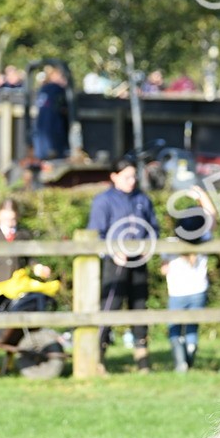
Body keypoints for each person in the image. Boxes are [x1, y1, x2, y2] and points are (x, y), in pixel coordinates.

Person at [88, 159, 159, 373]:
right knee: (110, 307)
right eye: (127, 176)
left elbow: (153, 228)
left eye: (133, 176)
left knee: (139, 305)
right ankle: (97, 356)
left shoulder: (142, 199)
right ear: (114, 177)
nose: (132, 180)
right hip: (115, 263)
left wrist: (149, 245)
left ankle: (142, 358)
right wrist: (112, 251)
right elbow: (96, 233)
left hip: (138, 261)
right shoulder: (104, 201)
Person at [161, 188, 216, 373]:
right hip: (199, 291)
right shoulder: (204, 240)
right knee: (192, 326)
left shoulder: (169, 244)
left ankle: (180, 362)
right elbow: (212, 216)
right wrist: (201, 194)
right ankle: (191, 350)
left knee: (174, 327)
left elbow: (163, 268)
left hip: (177, 292)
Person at [0, 199, 52, 309]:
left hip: (18, 286)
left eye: (12, 219)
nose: (9, 222)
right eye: (6, 218)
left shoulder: (24, 234)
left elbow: (30, 259)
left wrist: (38, 268)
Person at [33, 66, 69, 160]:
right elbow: (63, 108)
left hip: (42, 127)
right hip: (54, 126)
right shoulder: (56, 89)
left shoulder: (43, 89)